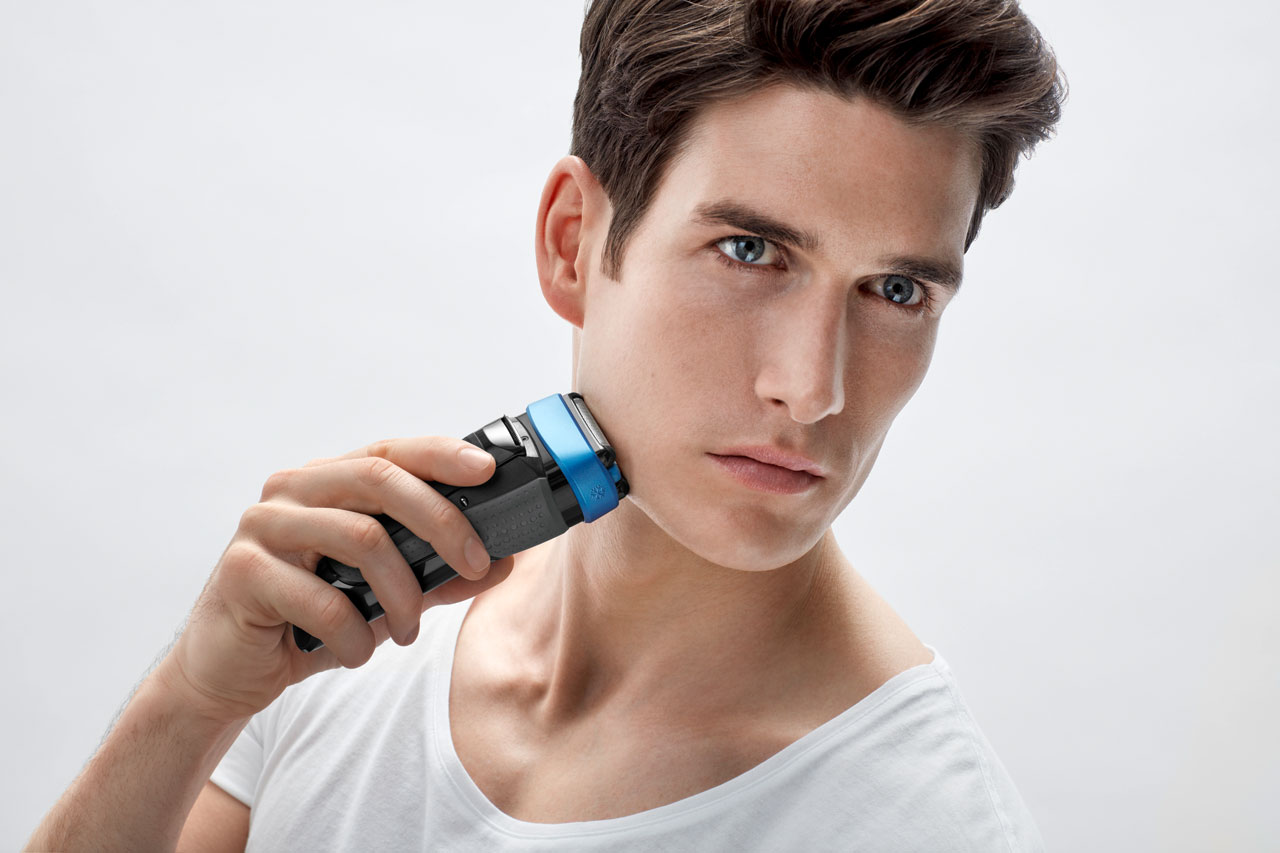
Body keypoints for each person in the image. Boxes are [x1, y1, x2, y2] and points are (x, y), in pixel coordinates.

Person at [27, 0, 1065, 849]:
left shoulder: (920, 823)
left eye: (892, 290)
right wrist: (189, 705)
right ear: (574, 244)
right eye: (749, 252)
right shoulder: (359, 622)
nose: (811, 388)